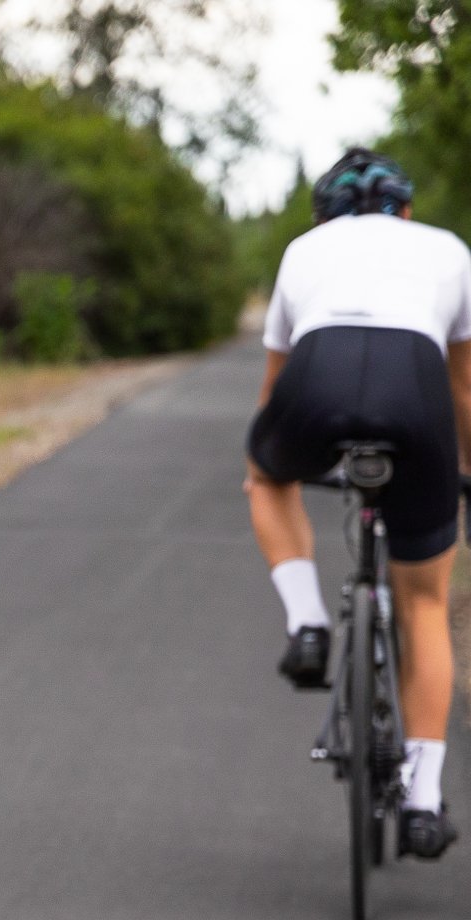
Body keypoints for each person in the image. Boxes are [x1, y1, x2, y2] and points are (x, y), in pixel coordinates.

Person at [246, 147, 471, 860]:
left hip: (317, 378)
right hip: (417, 387)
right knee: (426, 604)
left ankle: (309, 624)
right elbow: (463, 390)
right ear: (404, 208)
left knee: (266, 475)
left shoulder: (303, 250)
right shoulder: (448, 250)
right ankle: (425, 800)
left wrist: (269, 458)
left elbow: (273, 388)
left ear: (325, 214)